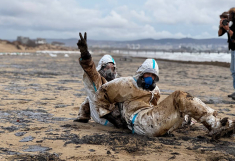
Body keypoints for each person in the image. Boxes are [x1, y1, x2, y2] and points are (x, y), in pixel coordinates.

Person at [95, 59, 235, 139]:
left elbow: (157, 108)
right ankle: (214, 124)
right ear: (141, 73)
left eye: (153, 75)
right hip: (140, 121)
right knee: (179, 96)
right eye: (147, 74)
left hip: (150, 121)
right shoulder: (125, 83)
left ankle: (209, 122)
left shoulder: (155, 90)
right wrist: (111, 116)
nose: (150, 77)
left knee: (182, 109)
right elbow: (101, 95)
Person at [74, 32, 124, 128]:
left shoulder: (116, 82)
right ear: (101, 68)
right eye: (107, 67)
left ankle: (83, 116)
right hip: (105, 119)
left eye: (112, 68)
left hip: (115, 117)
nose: (110, 71)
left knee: (90, 97)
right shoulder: (97, 80)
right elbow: (90, 69)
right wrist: (85, 55)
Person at [218, 8, 235, 100]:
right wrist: (221, 26)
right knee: (233, 71)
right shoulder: (229, 25)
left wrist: (228, 29)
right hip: (232, 49)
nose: (229, 16)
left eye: (230, 14)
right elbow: (219, 34)